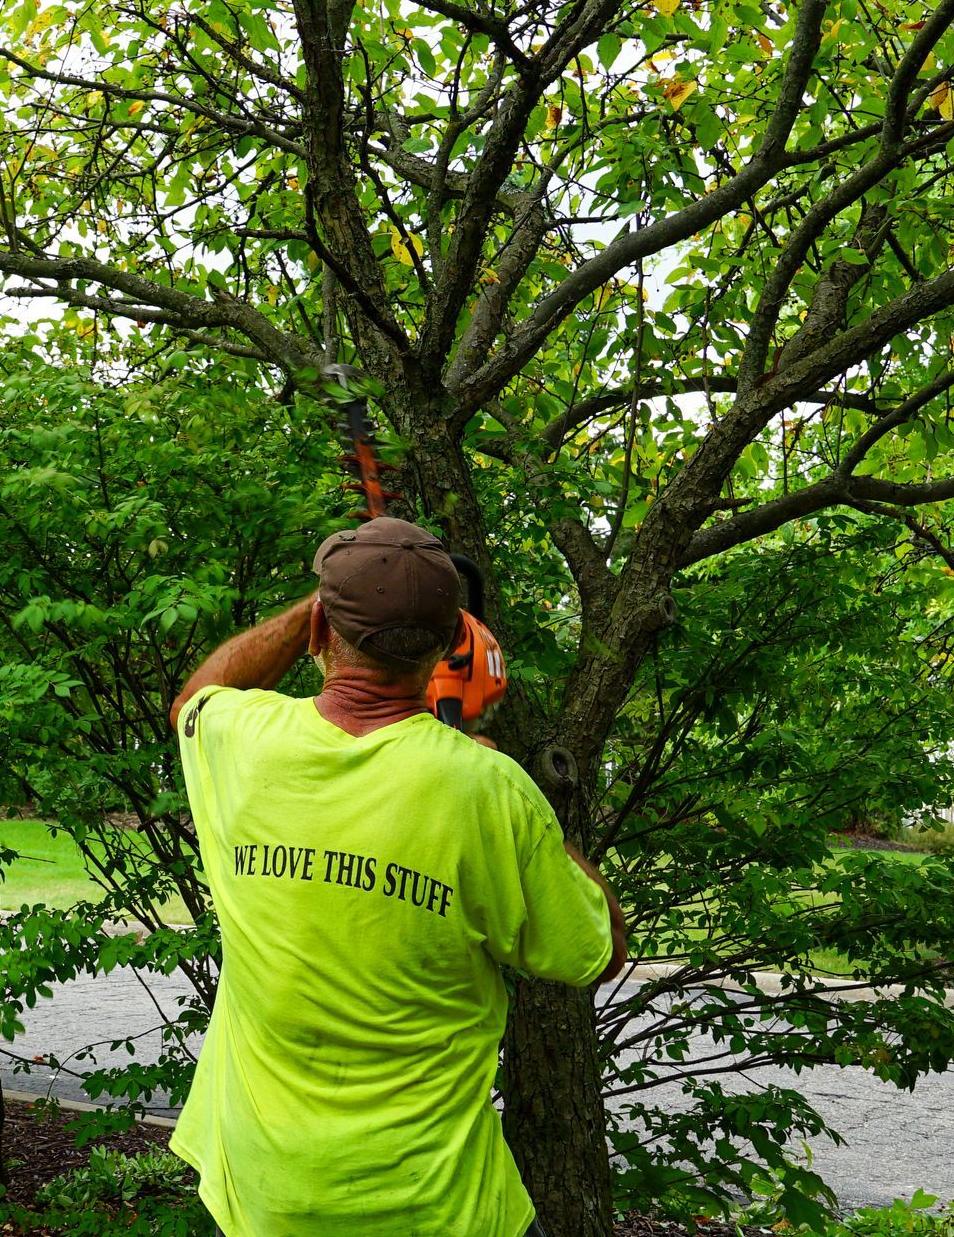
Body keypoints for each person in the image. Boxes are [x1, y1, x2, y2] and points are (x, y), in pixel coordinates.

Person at [165, 516, 628, 1237]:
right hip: (437, 1207)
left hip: (266, 1194)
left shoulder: (242, 743)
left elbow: (198, 696)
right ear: (450, 644)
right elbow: (595, 951)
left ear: (320, 631)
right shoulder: (487, 790)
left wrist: (309, 611)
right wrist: (528, 818)